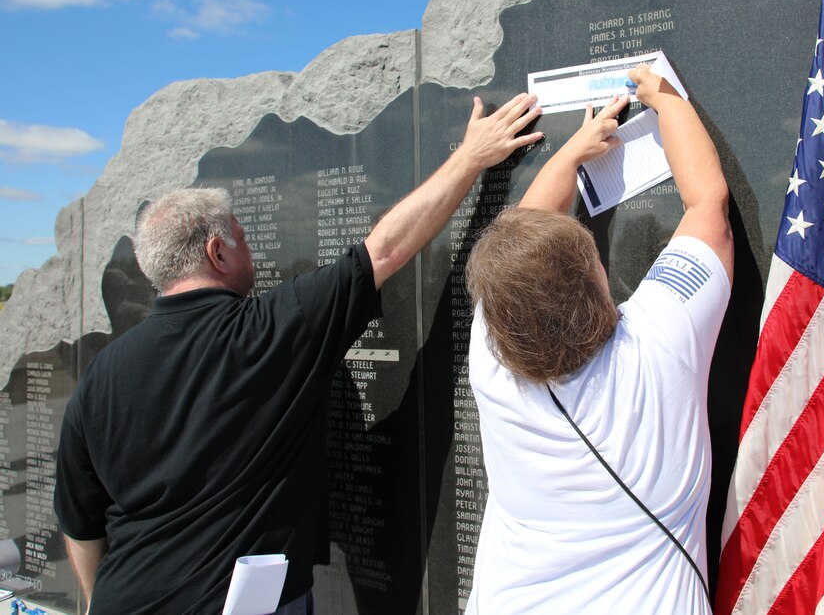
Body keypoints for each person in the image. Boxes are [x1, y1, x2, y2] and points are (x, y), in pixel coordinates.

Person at [53, 92, 543, 615]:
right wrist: (471, 158)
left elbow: (81, 524)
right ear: (218, 253)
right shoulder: (267, 330)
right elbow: (386, 249)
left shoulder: (100, 373)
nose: (253, 253)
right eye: (243, 240)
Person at [464, 65, 734, 614]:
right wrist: (666, 99)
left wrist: (567, 156)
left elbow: (520, 237)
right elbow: (708, 205)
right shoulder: (658, 344)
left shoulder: (491, 357)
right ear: (600, 281)